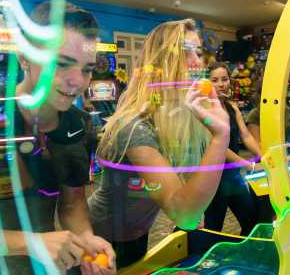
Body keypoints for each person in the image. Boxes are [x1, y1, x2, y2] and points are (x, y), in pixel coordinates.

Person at [0, 2, 116, 275]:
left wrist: (86, 238)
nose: (77, 81)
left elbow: (72, 202)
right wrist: (31, 243)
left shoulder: (80, 123)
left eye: (87, 69)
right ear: (24, 57)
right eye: (61, 63)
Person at [88, 19, 231, 268]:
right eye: (186, 52)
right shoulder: (136, 125)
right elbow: (183, 212)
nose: (198, 62)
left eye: (198, 52)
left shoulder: (180, 117)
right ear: (162, 63)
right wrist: (221, 136)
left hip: (139, 229)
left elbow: (183, 185)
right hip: (101, 235)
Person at [203, 62, 261, 236]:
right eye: (215, 80)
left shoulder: (231, 106)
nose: (221, 84)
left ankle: (243, 255)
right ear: (207, 83)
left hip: (233, 176)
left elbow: (246, 136)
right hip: (214, 178)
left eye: (224, 79)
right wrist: (249, 165)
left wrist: (263, 156)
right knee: (213, 230)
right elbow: (220, 147)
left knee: (251, 221)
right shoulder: (204, 109)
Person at [246, 87, 290, 154]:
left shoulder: (288, 112)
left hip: (285, 157)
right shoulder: (255, 115)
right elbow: (256, 145)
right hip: (266, 161)